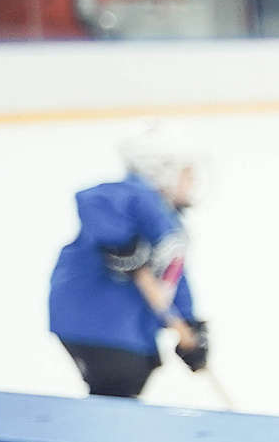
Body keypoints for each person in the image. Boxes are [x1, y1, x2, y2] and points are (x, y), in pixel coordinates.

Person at [47, 124, 210, 398]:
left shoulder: (168, 219)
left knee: (131, 379)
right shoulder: (134, 197)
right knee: (121, 383)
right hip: (93, 320)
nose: (192, 180)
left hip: (127, 330)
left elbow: (171, 275)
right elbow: (94, 199)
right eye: (186, 172)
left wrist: (188, 322)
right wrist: (119, 241)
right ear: (160, 169)